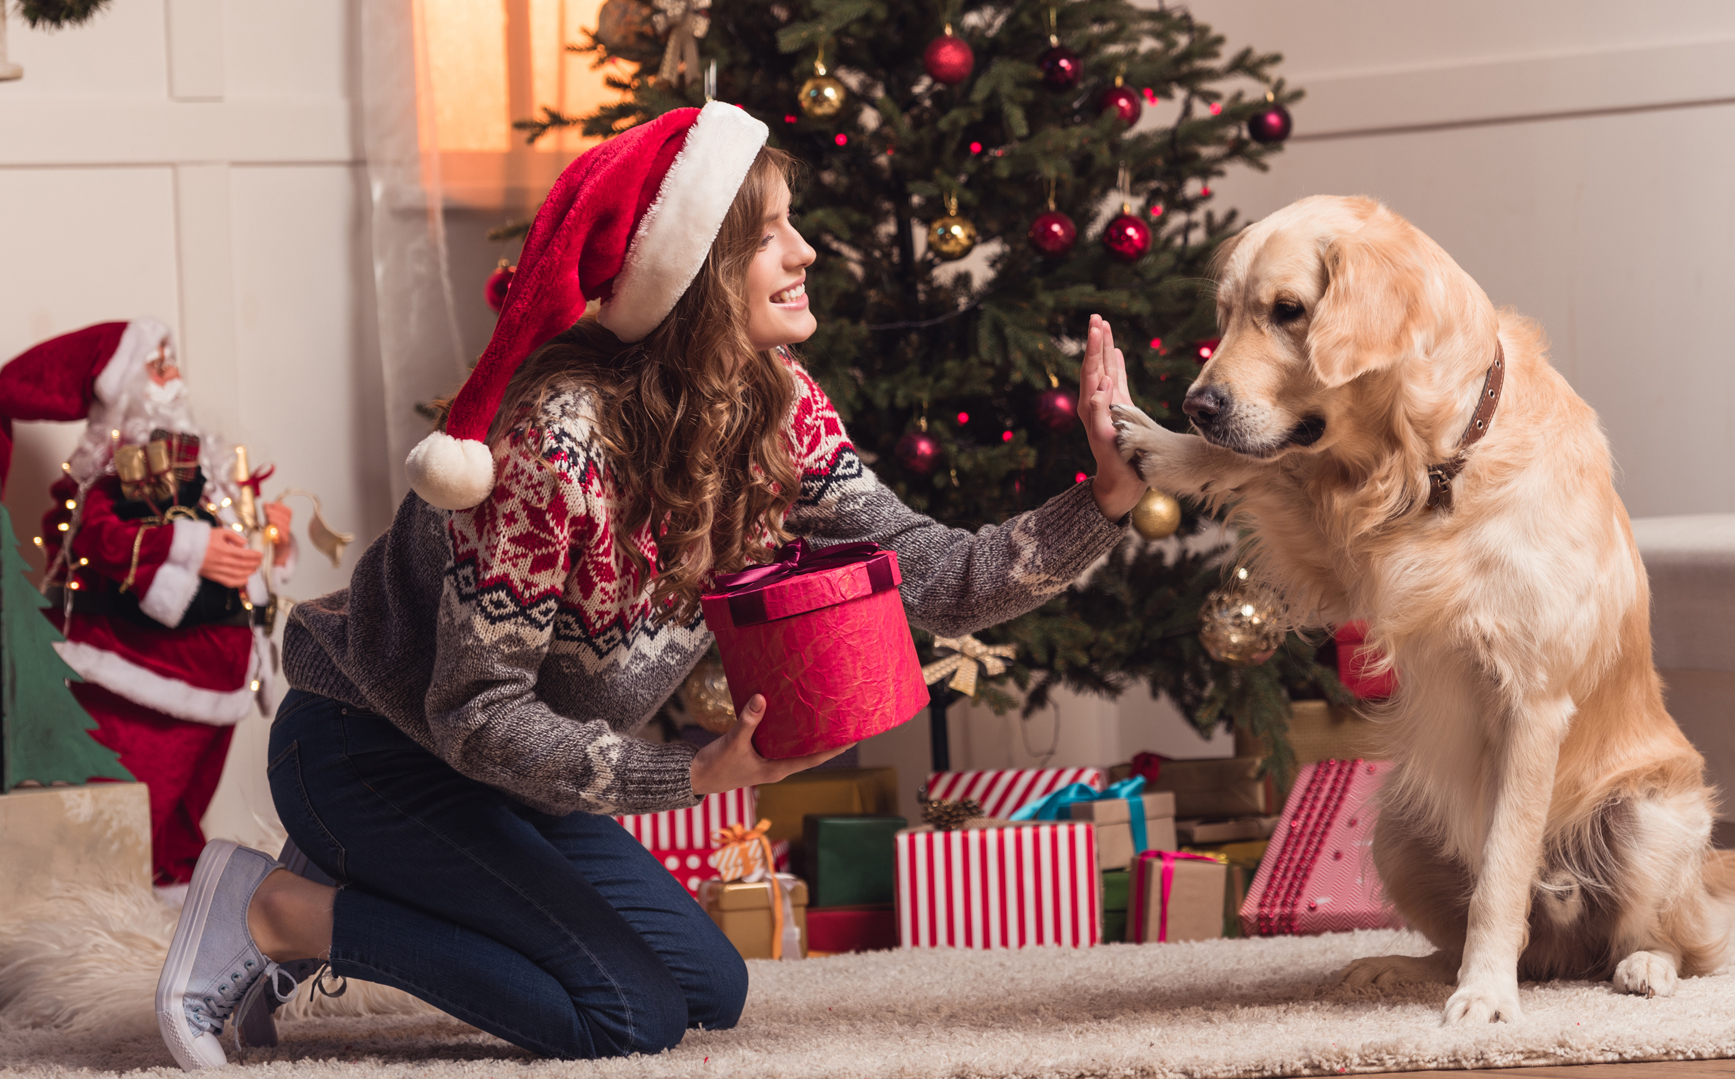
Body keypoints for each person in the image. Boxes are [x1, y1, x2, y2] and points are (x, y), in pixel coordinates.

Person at [155, 101, 1146, 1069]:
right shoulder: (554, 446)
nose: (804, 252)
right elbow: (474, 713)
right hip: (375, 750)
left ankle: (367, 891)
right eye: (768, 236)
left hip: (509, 779)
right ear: (695, 273)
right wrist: (692, 775)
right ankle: (279, 910)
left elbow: (924, 572)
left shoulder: (777, 404)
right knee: (621, 1008)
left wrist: (1100, 499)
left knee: (706, 988)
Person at [0, 320, 294, 896]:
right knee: (134, 811)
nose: (172, 377)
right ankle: (114, 920)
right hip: (149, 675)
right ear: (123, 386)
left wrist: (269, 536)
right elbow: (92, 537)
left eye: (172, 364)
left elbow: (236, 545)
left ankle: (177, 898)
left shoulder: (205, 471)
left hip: (222, 676)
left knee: (183, 819)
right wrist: (190, 547)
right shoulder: (110, 471)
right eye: (157, 366)